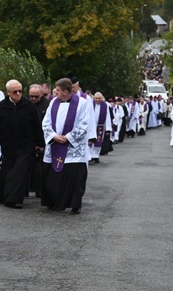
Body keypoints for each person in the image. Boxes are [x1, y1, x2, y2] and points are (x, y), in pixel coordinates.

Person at [0, 79, 44, 209]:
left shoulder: (28, 105)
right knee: (7, 171)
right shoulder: (2, 106)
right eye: (15, 91)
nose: (18, 94)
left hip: (26, 146)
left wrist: (40, 143)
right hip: (8, 146)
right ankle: (2, 196)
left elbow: (37, 125)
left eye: (20, 91)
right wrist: (0, 140)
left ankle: (15, 199)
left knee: (19, 173)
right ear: (8, 92)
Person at [41, 78, 91, 214]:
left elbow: (84, 124)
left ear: (65, 92)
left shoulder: (82, 103)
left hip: (73, 149)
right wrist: (54, 136)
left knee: (73, 177)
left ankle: (74, 204)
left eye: (57, 90)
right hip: (55, 144)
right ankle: (53, 202)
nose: (55, 93)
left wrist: (68, 138)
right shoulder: (53, 102)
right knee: (53, 176)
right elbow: (46, 122)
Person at [28, 84, 51, 198]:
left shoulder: (48, 105)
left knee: (40, 167)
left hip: (42, 139)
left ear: (41, 94)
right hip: (28, 139)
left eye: (36, 97)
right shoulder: (27, 104)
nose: (33, 99)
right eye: (31, 96)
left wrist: (41, 143)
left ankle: (40, 189)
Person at [89, 92, 112, 164]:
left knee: (98, 142)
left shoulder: (105, 106)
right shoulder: (90, 105)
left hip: (100, 126)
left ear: (101, 98)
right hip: (92, 126)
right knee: (91, 141)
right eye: (96, 98)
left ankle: (96, 156)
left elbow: (108, 117)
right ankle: (91, 156)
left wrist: (108, 128)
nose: (97, 100)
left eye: (99, 98)